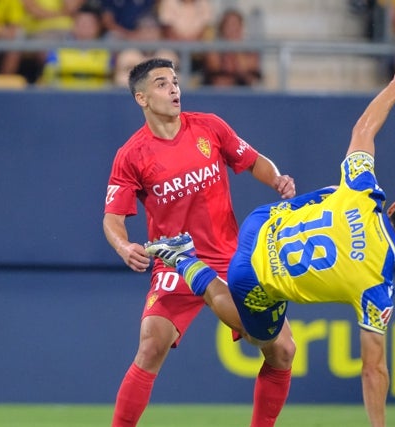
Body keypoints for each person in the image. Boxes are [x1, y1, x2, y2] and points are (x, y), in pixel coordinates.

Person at [145, 51, 395, 427]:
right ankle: (185, 258)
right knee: (256, 336)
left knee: (335, 192)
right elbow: (374, 370)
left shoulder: (365, 190)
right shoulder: (377, 288)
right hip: (255, 275)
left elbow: (364, 130)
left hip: (263, 221)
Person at [103, 57, 295, 427]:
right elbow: (112, 218)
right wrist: (123, 246)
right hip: (176, 260)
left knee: (282, 350)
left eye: (175, 81)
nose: (174, 89)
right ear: (141, 98)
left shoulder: (209, 127)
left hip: (230, 258)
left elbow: (253, 160)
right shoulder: (131, 156)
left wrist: (276, 179)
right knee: (151, 345)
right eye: (162, 83)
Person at [202, 8, 262, 88]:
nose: (233, 29)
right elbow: (217, 74)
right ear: (222, 28)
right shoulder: (213, 50)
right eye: (229, 25)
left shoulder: (251, 51)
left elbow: (251, 77)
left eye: (236, 25)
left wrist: (236, 54)